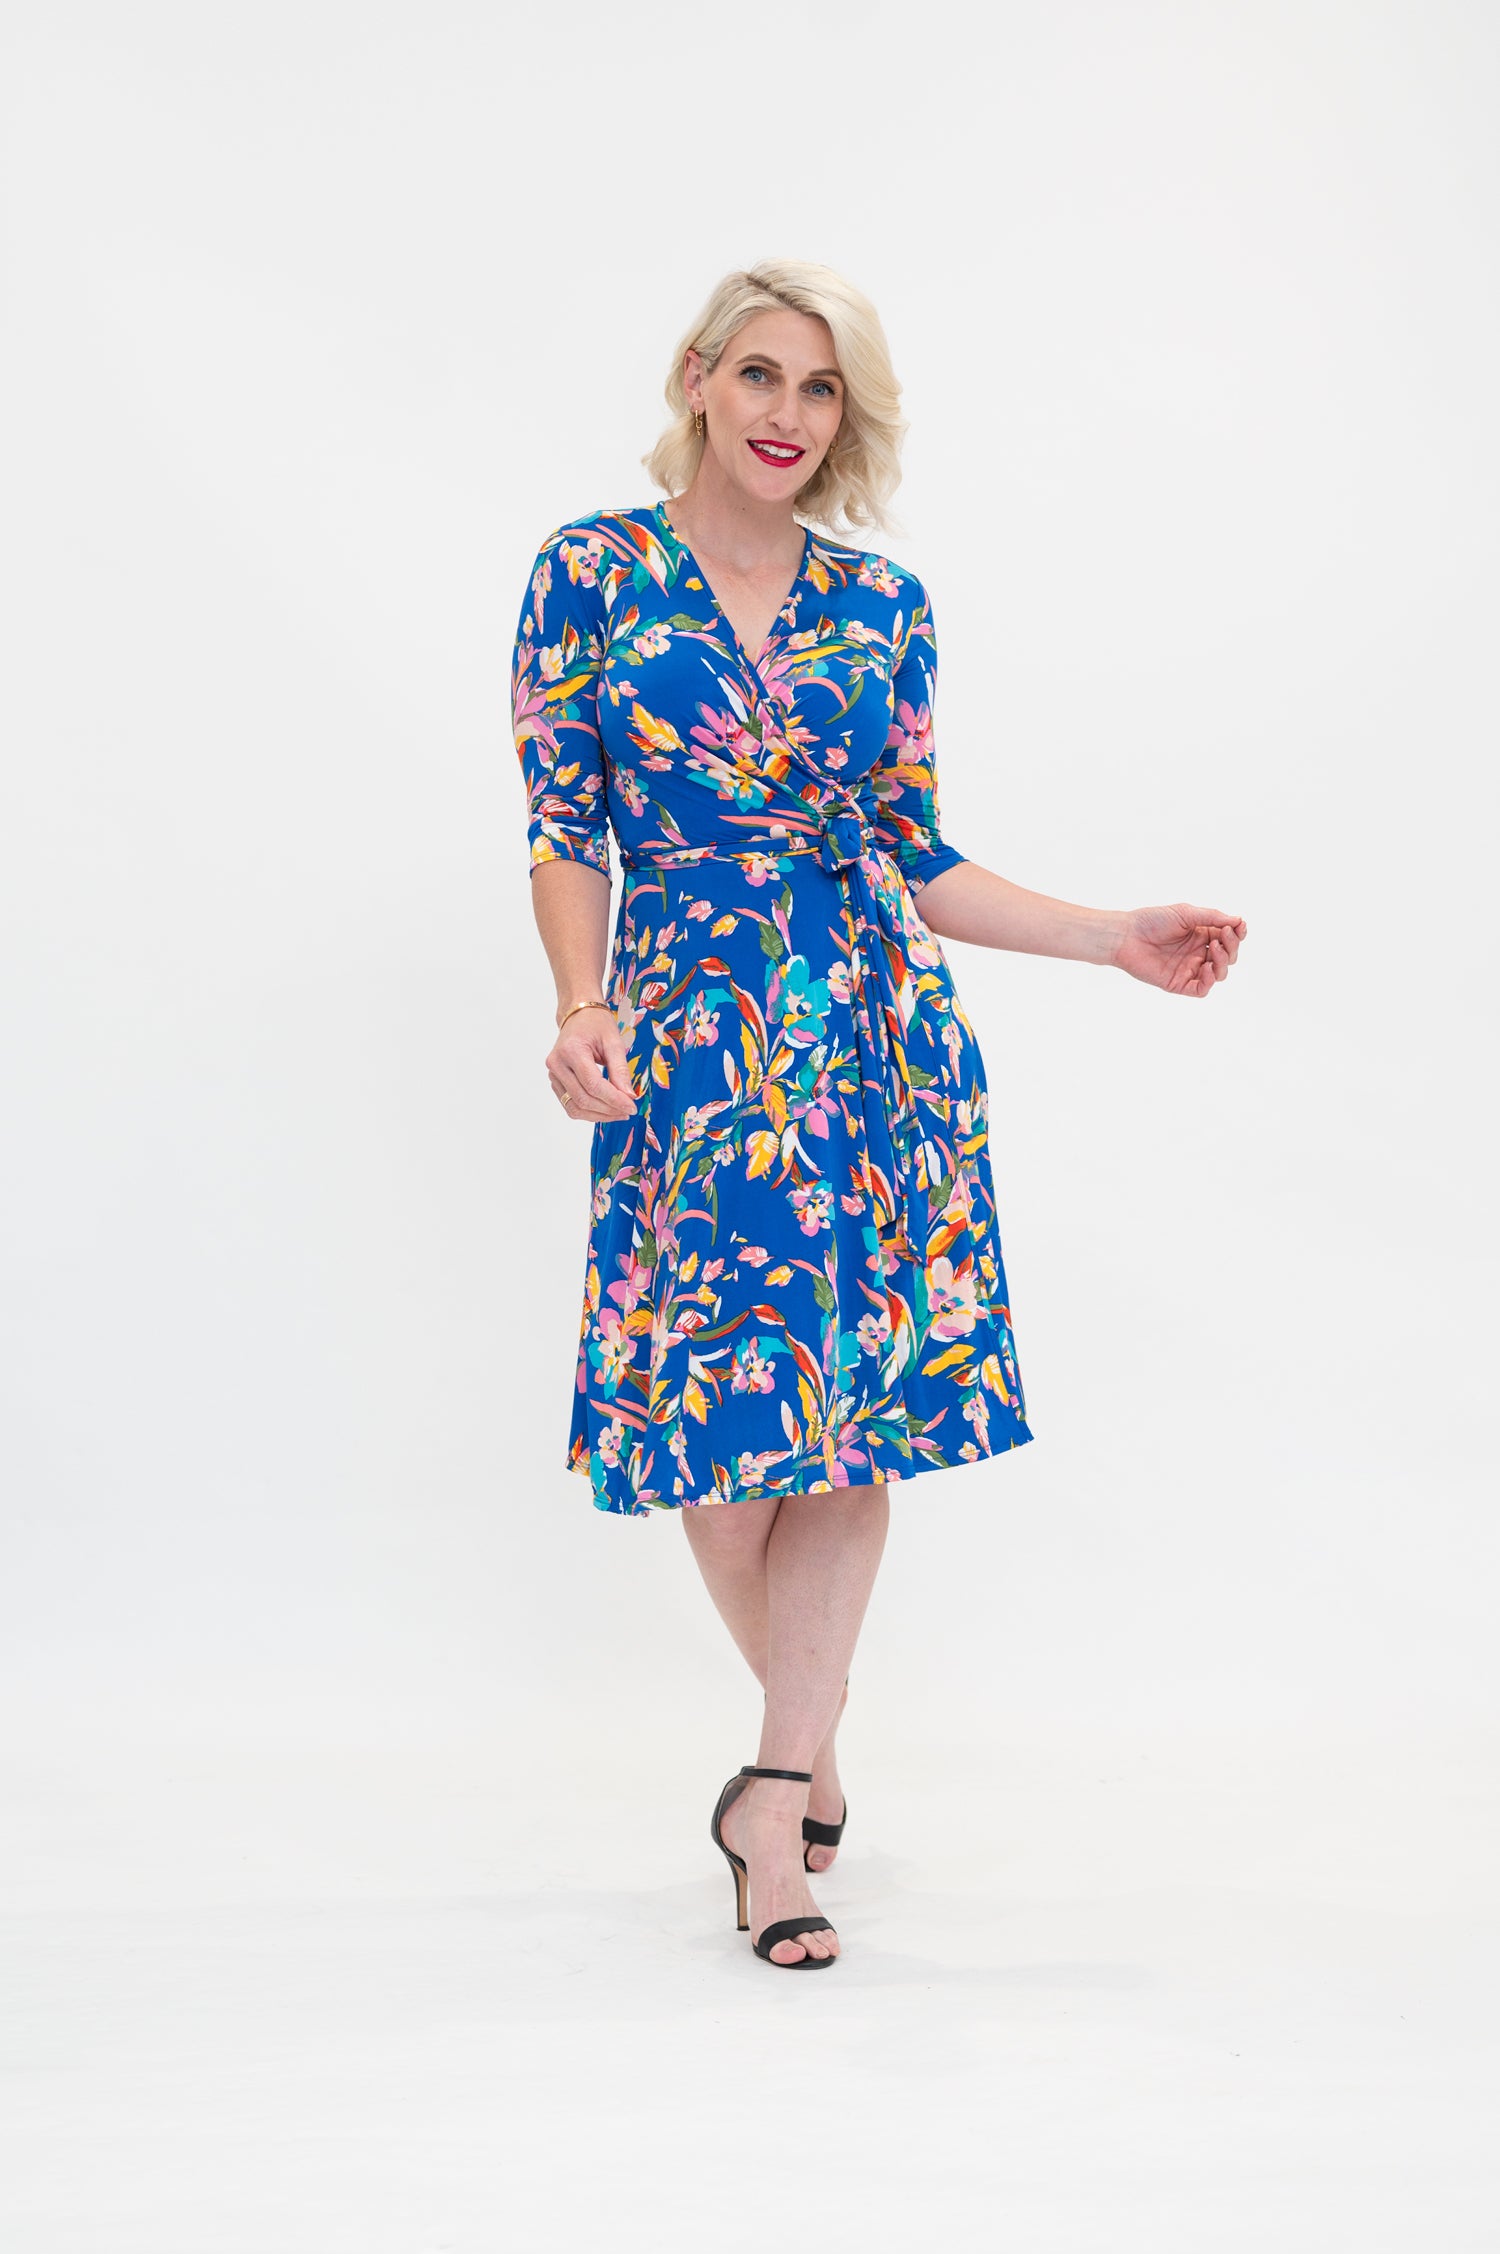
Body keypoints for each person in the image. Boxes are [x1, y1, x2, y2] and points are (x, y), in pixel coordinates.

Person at [509, 258, 1246, 1970]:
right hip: (698, 1045)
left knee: (853, 1430)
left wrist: (1108, 936)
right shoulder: (590, 574)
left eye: (822, 387)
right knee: (717, 1449)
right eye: (761, 375)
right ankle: (818, 1739)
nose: (788, 414)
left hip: (869, 1044)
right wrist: (579, 1000)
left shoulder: (883, 606)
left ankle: (773, 1801)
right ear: (698, 378)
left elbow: (914, 851)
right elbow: (563, 825)